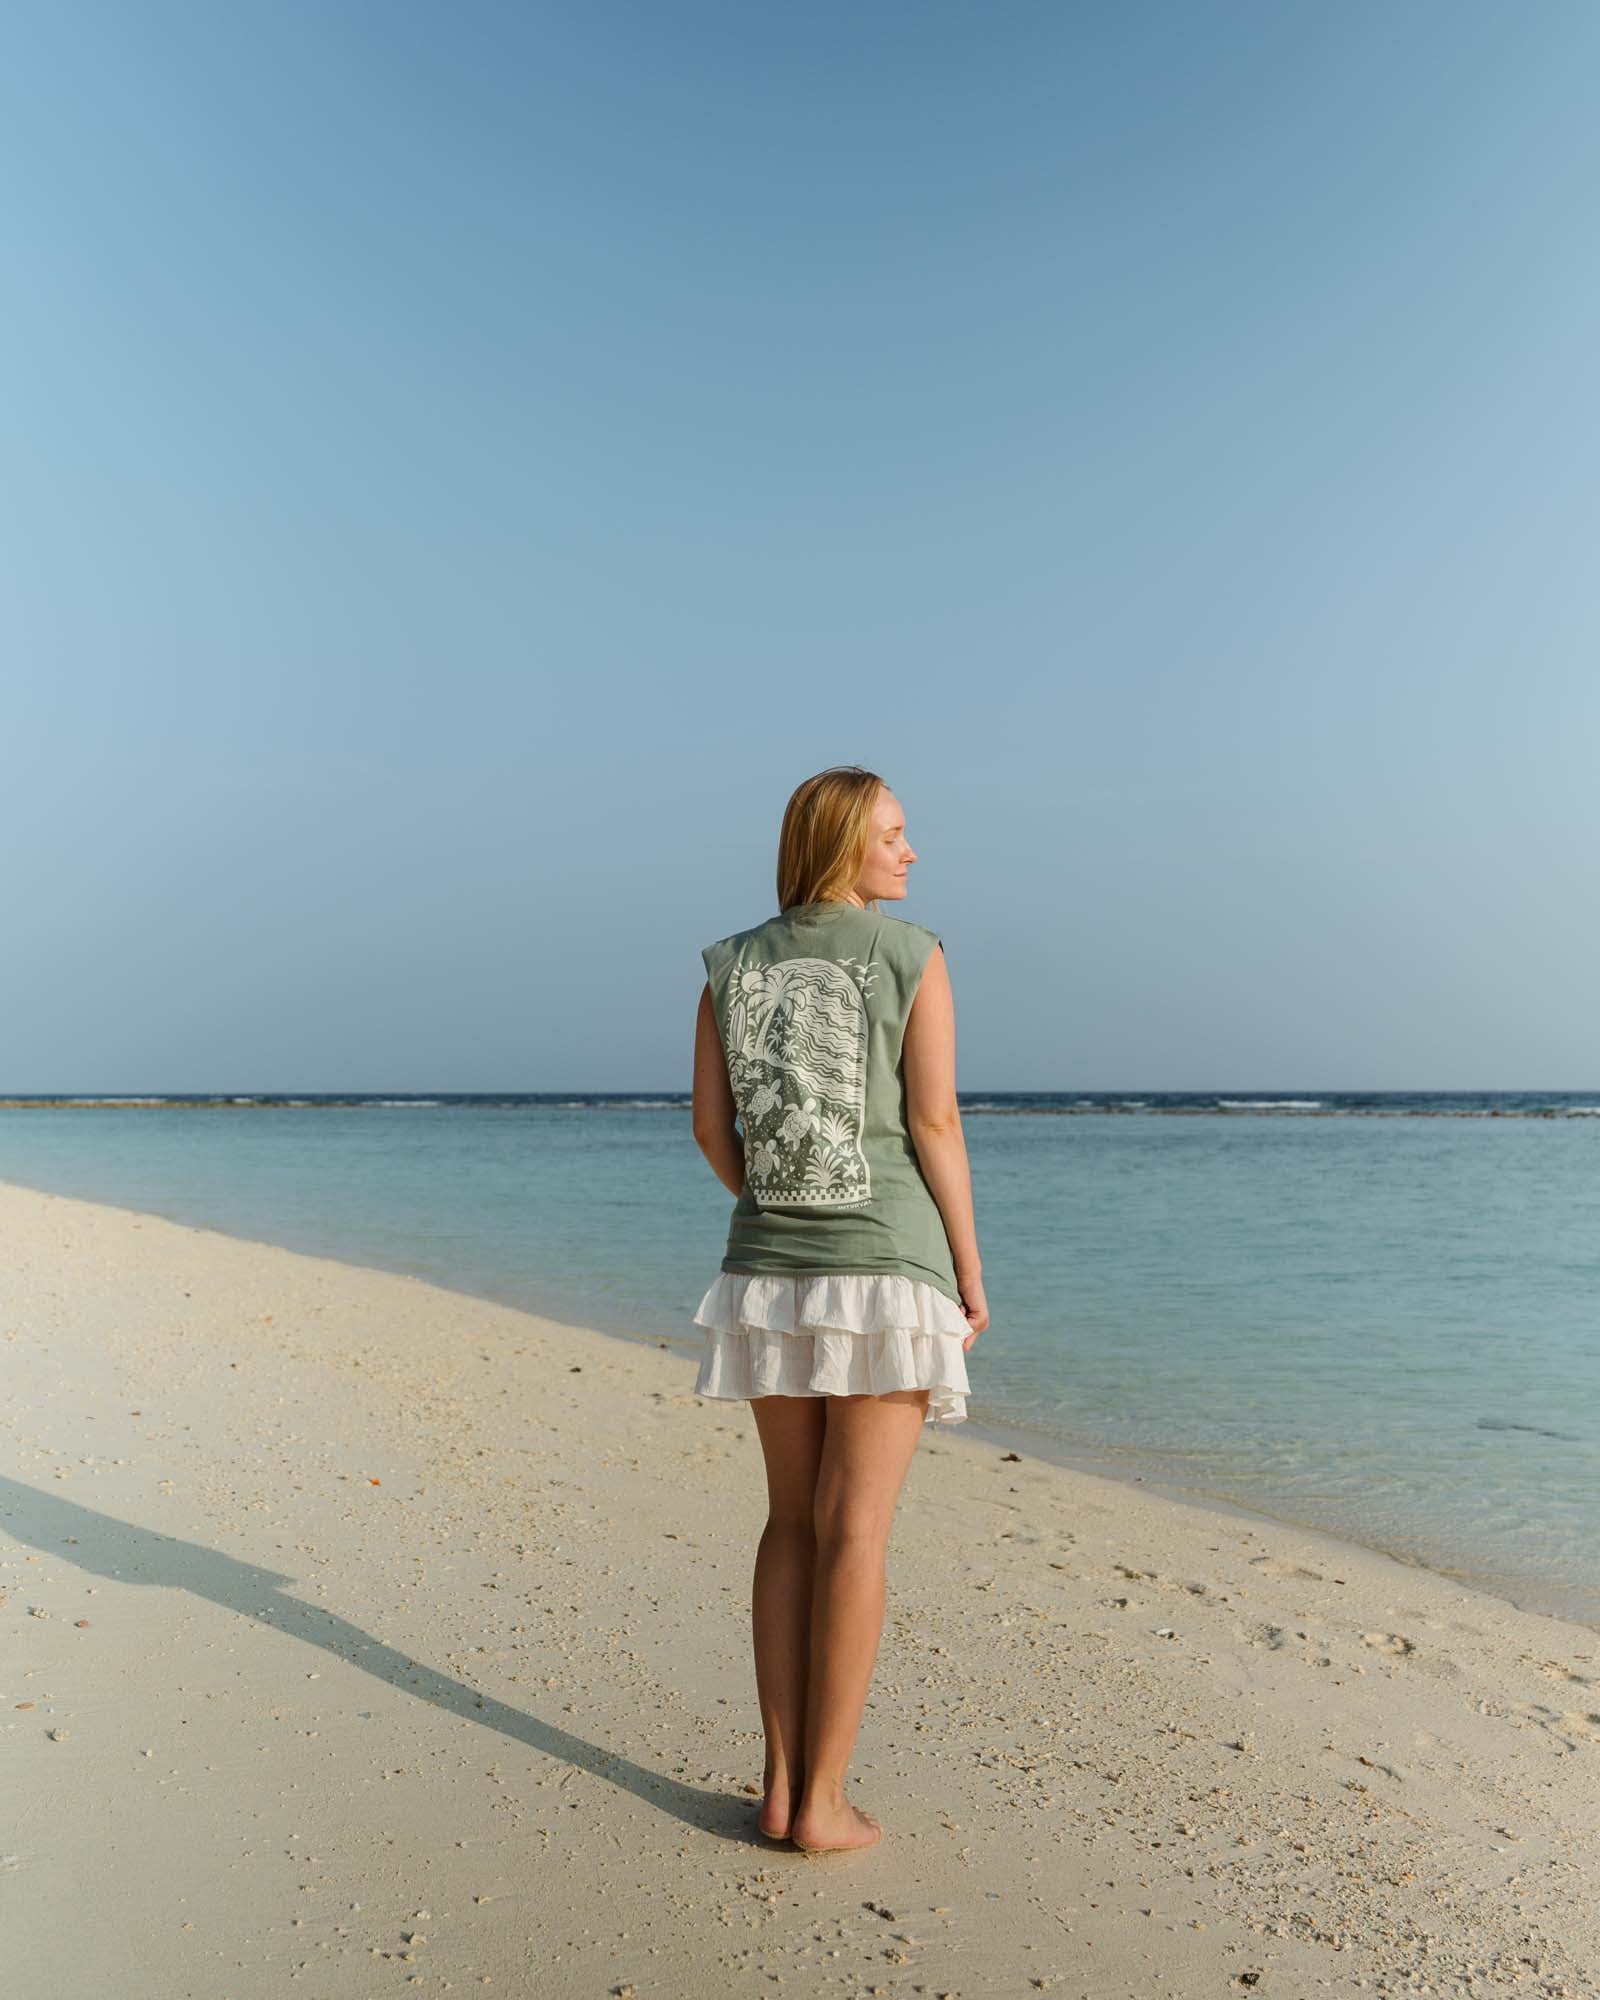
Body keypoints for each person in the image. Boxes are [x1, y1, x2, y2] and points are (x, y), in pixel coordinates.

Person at [690, 764, 989, 1855]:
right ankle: (823, 1801)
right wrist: (968, 1268)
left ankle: (776, 1788)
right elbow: (936, 1121)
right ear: (843, 845)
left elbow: (714, 1133)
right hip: (885, 1261)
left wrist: (783, 1210)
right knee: (855, 1527)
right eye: (894, 836)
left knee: (788, 1523)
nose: (911, 853)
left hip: (767, 1268)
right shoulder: (913, 954)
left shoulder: (729, 963)